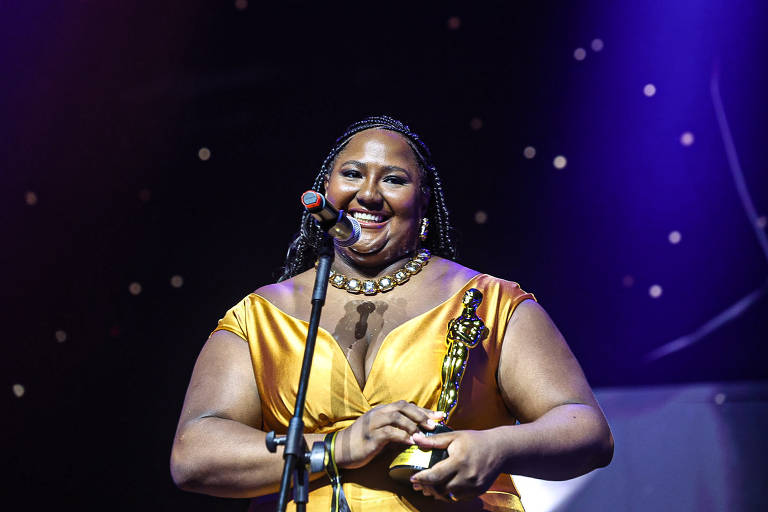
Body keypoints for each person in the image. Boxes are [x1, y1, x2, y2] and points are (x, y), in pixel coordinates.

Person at [170, 116, 613, 511]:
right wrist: (339, 446)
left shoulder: (491, 302)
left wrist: (496, 446)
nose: (368, 193)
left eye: (394, 179)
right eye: (352, 174)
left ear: (423, 204)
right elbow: (194, 456)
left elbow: (587, 432)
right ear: (326, 191)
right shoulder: (261, 315)